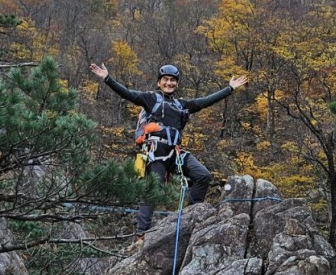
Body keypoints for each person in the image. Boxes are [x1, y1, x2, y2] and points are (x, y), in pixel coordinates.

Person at [89, 61, 247, 244]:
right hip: (156, 151)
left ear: (177, 83)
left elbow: (205, 102)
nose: (169, 83)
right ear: (159, 82)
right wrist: (108, 79)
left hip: (174, 152)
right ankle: (141, 234)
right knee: (153, 189)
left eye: (173, 80)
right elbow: (128, 94)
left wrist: (229, 89)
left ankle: (191, 216)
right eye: (165, 80)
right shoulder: (150, 99)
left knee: (203, 175)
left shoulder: (182, 105)